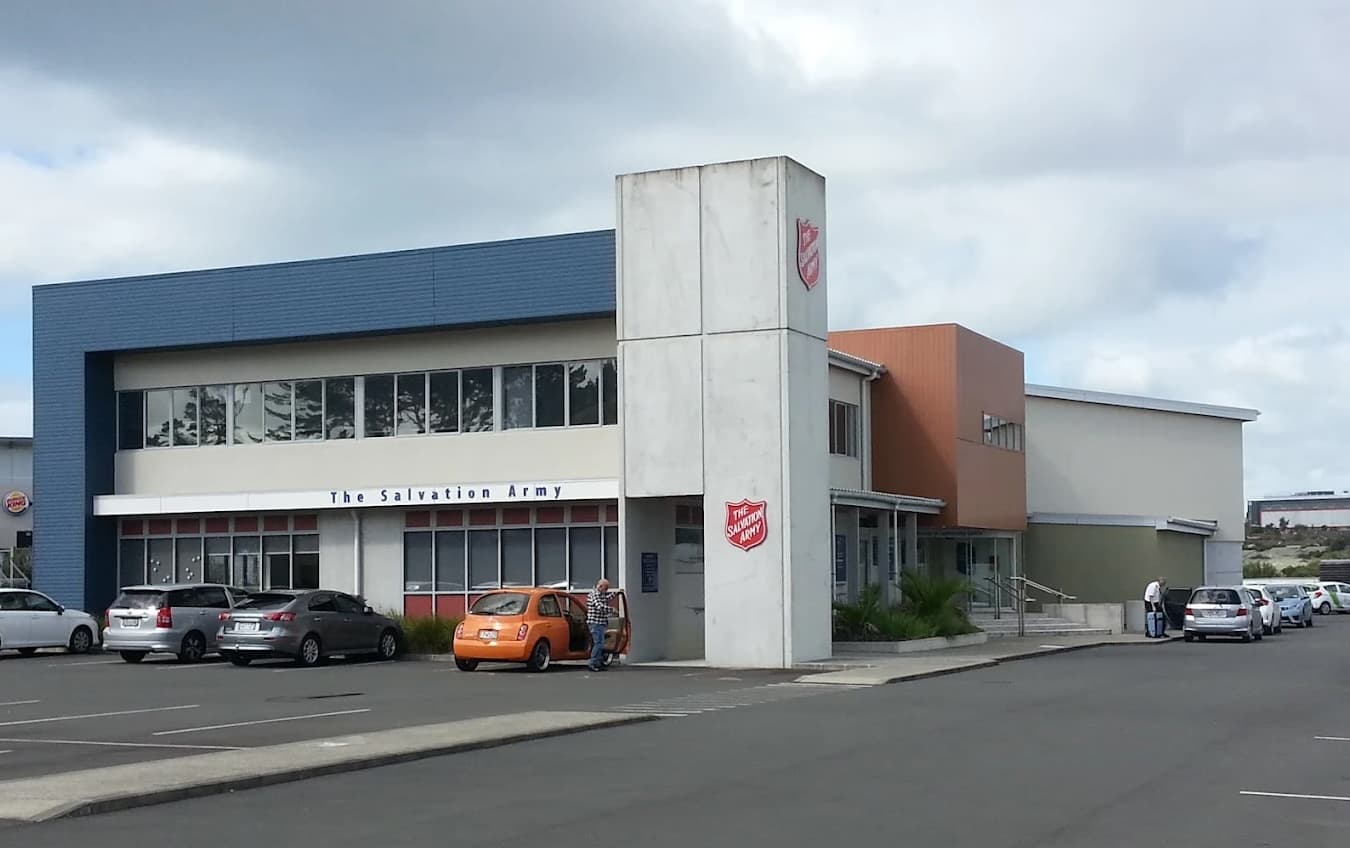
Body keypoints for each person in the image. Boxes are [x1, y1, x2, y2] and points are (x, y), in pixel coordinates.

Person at [586, 577, 615, 671]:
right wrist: (612, 610)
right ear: (601, 586)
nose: (606, 591)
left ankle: (598, 663)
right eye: (605, 588)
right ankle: (593, 663)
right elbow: (599, 606)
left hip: (600, 623)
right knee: (598, 643)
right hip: (595, 623)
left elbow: (605, 599)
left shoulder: (600, 594)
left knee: (600, 644)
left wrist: (615, 594)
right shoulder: (594, 594)